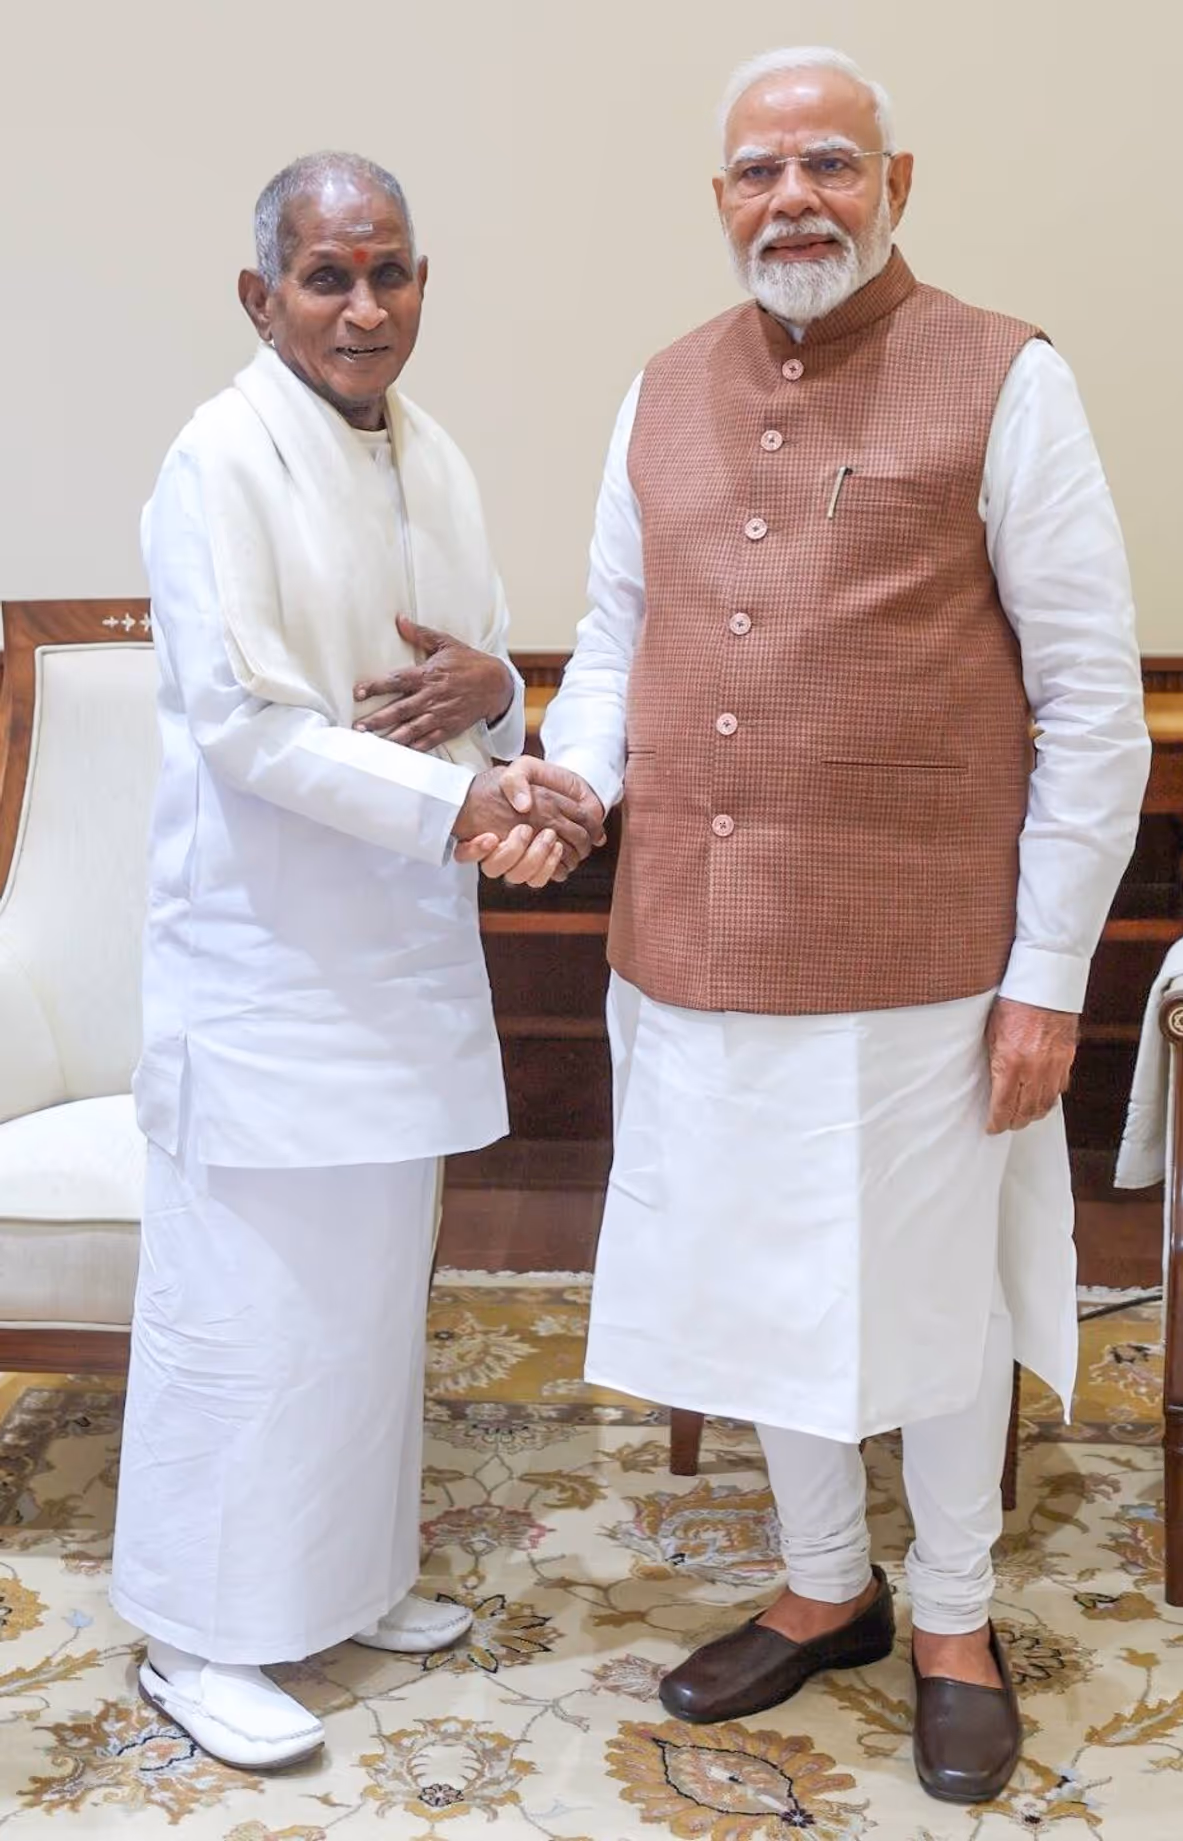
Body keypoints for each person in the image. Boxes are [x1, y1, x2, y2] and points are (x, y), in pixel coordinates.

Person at [477, 45, 1151, 1805]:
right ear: (721, 198)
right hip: (693, 948)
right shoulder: (659, 391)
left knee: (933, 1305)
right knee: (760, 1283)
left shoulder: (1009, 377)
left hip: (926, 966)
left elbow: (1095, 707)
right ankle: (827, 1584)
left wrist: (1049, 980)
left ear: (896, 185)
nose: (796, 200)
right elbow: (616, 639)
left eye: (832, 165)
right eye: (761, 171)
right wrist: (577, 780)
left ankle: (955, 1617)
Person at [110, 151, 600, 1771]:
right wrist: (467, 807)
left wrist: (503, 710)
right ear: (264, 298)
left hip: (397, 964)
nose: (364, 306)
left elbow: (466, 680)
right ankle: (198, 1635)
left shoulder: (434, 455)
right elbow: (245, 726)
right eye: (328, 277)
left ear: (422, 283)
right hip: (266, 970)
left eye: (389, 272)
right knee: (246, 1317)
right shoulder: (216, 457)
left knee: (370, 1309)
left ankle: (342, 1582)